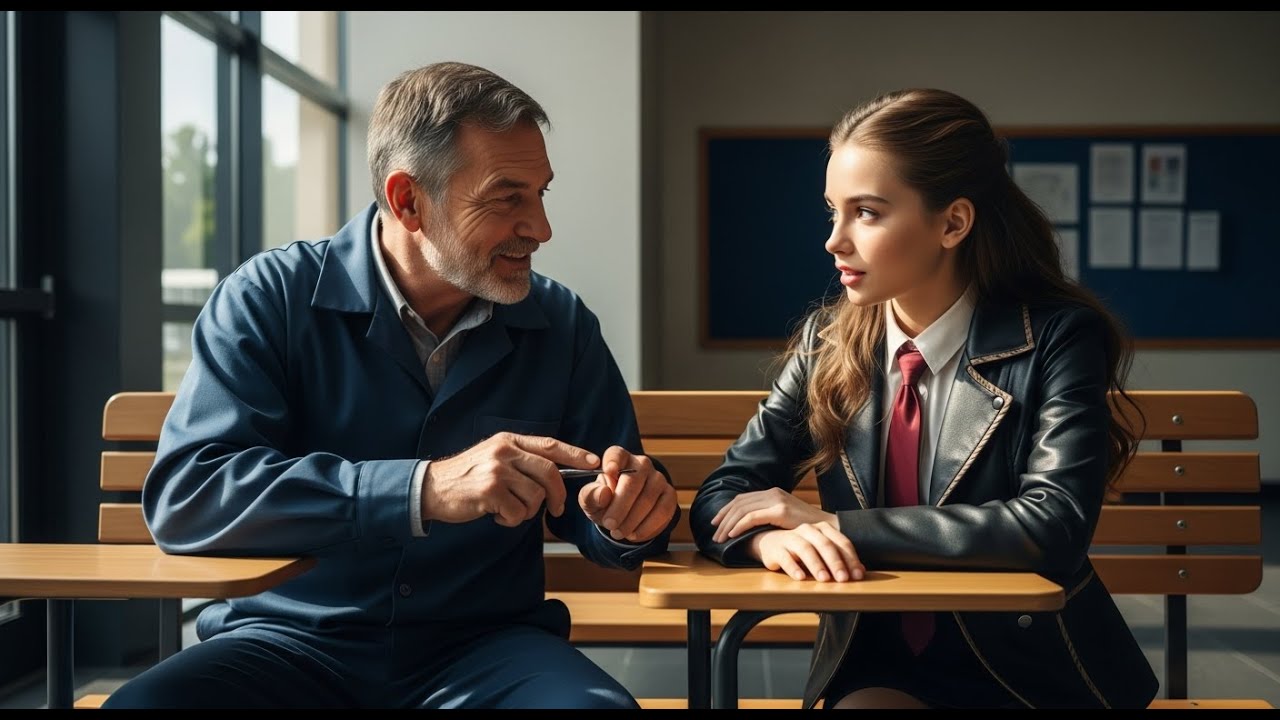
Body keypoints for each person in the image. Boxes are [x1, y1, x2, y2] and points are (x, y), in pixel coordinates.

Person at [105, 61, 679, 710]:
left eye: (541, 193)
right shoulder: (270, 299)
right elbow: (189, 496)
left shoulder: (563, 325)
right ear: (408, 200)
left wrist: (631, 516)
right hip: (283, 645)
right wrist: (421, 489)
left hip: (490, 650)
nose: (541, 228)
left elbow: (605, 512)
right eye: (506, 197)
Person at [689, 88, 1158, 710]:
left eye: (868, 213)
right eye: (833, 210)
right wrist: (764, 541)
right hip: (877, 662)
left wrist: (835, 526)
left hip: (1031, 672)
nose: (835, 240)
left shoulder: (1058, 338)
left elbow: (1052, 527)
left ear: (953, 223)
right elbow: (723, 495)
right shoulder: (825, 344)